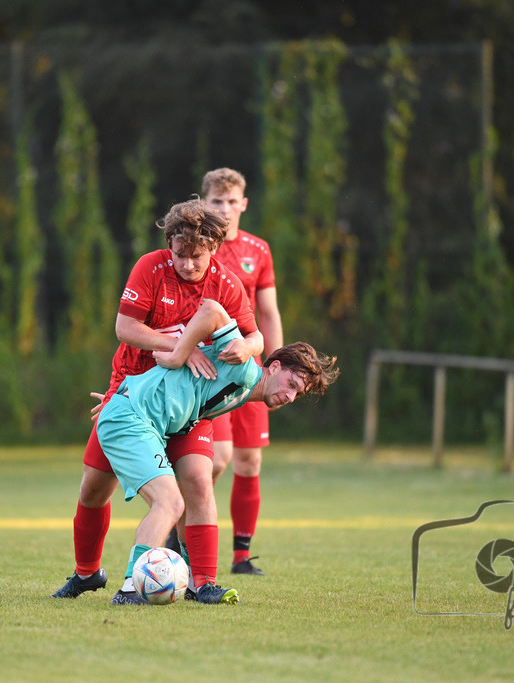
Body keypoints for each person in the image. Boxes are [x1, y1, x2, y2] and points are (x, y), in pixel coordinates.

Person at [50, 198, 263, 603]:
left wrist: (247, 347)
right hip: (132, 395)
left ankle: (203, 583)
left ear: (214, 248)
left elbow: (257, 337)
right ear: (170, 244)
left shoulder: (226, 283)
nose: (188, 264)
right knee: (93, 490)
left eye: (197, 256)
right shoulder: (150, 268)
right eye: (180, 254)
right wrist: (182, 347)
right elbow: (125, 327)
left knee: (198, 482)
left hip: (187, 406)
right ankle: (87, 574)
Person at [96, 299, 338, 604]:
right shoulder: (245, 370)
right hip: (131, 418)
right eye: (290, 383)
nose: (290, 396)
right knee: (169, 503)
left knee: (188, 495)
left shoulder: (244, 390)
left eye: (297, 393)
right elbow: (211, 309)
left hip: (134, 415)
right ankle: (130, 589)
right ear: (274, 366)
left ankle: (193, 582)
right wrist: (179, 354)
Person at [201, 168, 284, 576]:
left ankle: (241, 558)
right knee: (215, 460)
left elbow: (268, 312)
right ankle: (182, 538)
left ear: (244, 204)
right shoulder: (196, 249)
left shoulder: (258, 250)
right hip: (210, 374)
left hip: (251, 371)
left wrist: (276, 366)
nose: (225, 208)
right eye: (217, 201)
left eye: (232, 201)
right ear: (204, 203)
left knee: (249, 462)